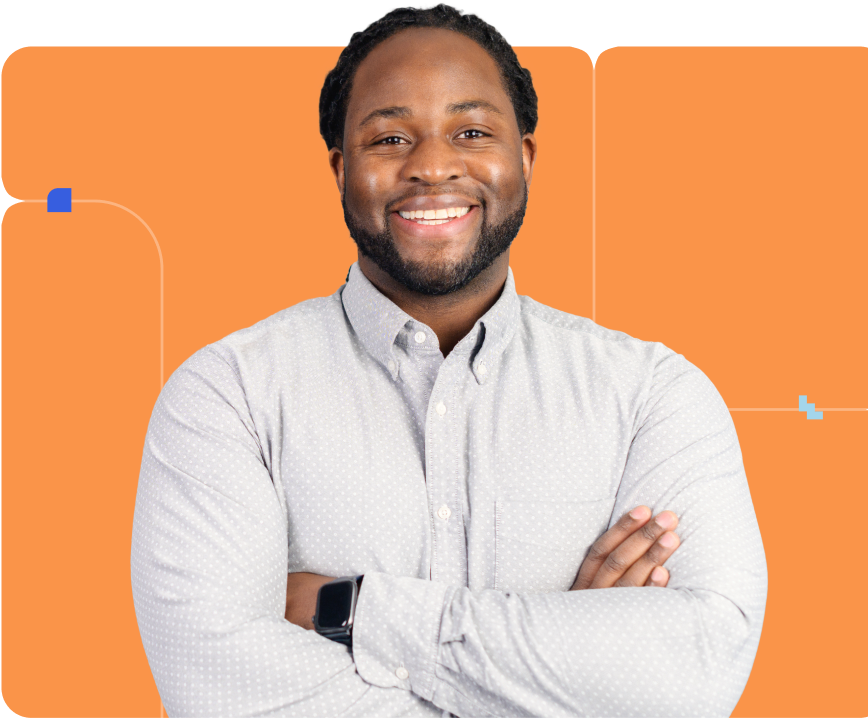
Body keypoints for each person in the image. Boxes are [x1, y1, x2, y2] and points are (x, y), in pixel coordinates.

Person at [131, 3, 767, 716]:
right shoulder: (229, 396)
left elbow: (698, 668)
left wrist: (355, 610)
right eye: (391, 137)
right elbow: (218, 690)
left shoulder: (653, 396)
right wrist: (569, 668)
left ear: (524, 158)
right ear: (341, 169)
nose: (432, 167)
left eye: (471, 132)